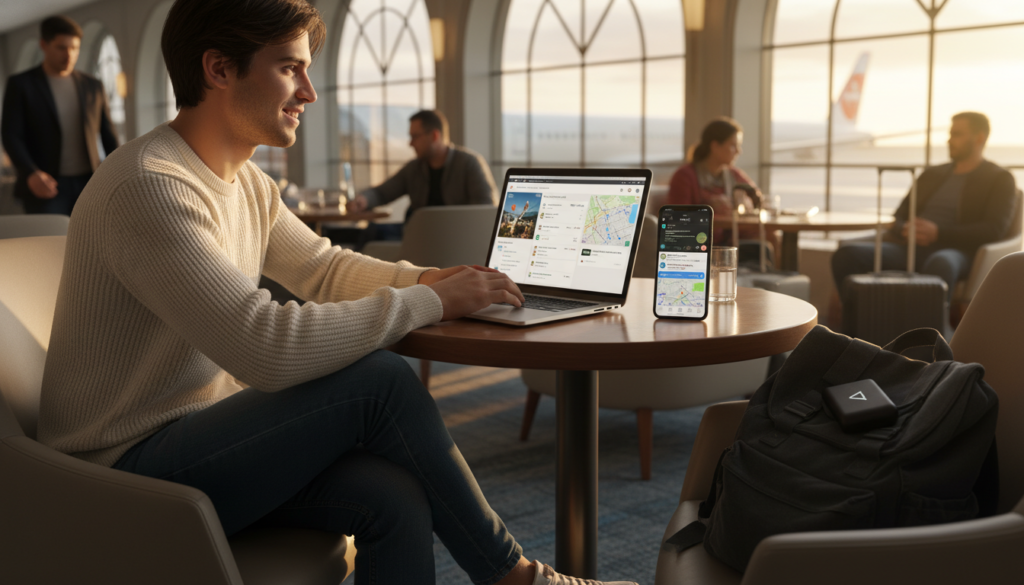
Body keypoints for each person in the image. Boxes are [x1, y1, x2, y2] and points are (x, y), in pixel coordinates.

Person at [36, 2, 633, 585]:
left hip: (196, 436)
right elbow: (263, 345)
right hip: (120, 476)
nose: (309, 93)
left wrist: (430, 280)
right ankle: (519, 577)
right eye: (290, 68)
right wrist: (432, 303)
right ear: (218, 68)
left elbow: (321, 268)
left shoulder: (245, 182)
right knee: (380, 381)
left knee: (392, 497)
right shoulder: (150, 186)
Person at [831, 112, 1017, 299]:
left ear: (979, 138)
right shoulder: (932, 174)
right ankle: (866, 321)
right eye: (950, 134)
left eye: (957, 134)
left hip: (957, 250)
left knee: (941, 262)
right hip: (910, 247)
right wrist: (905, 228)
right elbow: (899, 215)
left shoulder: (1000, 179)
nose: (949, 140)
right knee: (846, 255)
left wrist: (938, 233)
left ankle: (928, 327)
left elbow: (994, 229)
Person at [1, 15, 118, 215]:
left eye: (74, 48)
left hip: (89, 182)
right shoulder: (21, 85)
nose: (69, 55)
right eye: (61, 47)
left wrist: (118, 171)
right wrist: (30, 172)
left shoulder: (93, 86)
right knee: (49, 243)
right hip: (45, 184)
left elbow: (108, 134)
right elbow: (11, 135)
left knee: (90, 241)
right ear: (44, 45)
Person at [346, 109, 497, 239]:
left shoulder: (469, 164)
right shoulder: (414, 168)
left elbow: (486, 210)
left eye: (415, 137)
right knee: (371, 232)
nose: (410, 143)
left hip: (456, 239)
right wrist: (364, 199)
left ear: (435, 136)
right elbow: (383, 192)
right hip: (418, 236)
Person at [666, 117, 763, 247]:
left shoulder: (733, 174)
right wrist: (712, 211)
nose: (739, 151)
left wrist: (743, 204)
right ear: (715, 146)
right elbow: (677, 219)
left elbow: (756, 197)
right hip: (701, 244)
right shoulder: (685, 176)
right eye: (733, 145)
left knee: (768, 241)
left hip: (730, 241)